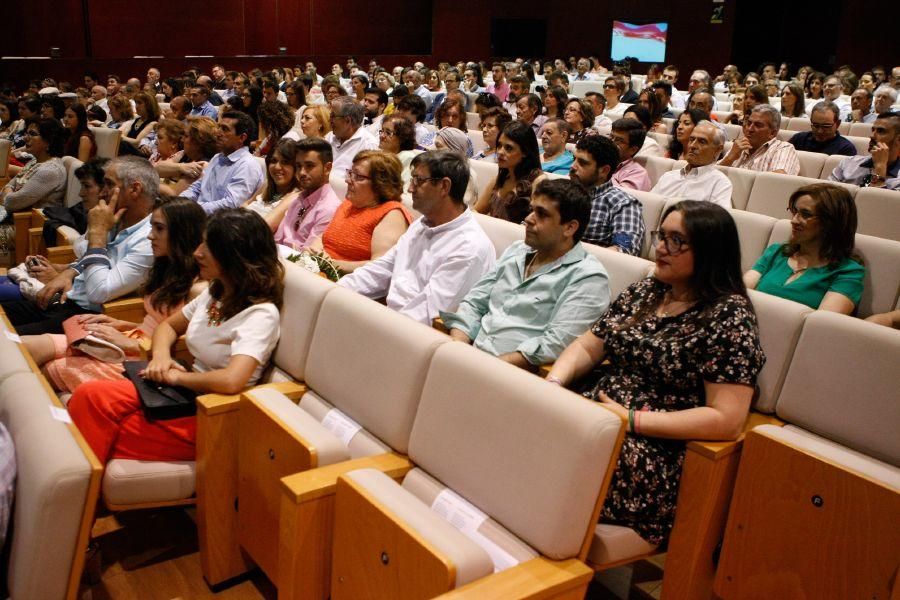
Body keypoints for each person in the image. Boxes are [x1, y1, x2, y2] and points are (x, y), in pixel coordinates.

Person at [545, 200, 765, 546]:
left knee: (547, 458)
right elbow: (588, 346)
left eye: (676, 240)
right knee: (522, 419)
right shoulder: (648, 290)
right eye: (661, 236)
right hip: (598, 413)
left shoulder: (728, 316)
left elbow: (726, 419)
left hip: (653, 447)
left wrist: (629, 419)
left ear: (709, 251)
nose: (661, 247)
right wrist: (554, 383)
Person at [68, 209, 283, 464]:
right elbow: (167, 328)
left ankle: (80, 492)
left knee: (101, 425)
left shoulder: (261, 314)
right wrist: (159, 358)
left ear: (233, 256)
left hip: (211, 414)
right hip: (178, 396)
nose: (197, 252)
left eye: (208, 246)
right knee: (89, 397)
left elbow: (231, 381)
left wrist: (177, 377)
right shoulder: (216, 292)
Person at [23, 198, 206, 392]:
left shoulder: (198, 289)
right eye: (152, 228)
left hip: (145, 357)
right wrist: (119, 324)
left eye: (159, 229)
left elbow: (182, 349)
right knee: (31, 346)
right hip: (130, 338)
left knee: (48, 369)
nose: (151, 236)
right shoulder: (166, 267)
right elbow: (155, 324)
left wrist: (129, 342)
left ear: (182, 234)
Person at [442, 178, 610, 369]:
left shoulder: (587, 277)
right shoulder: (517, 250)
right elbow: (474, 302)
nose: (529, 219)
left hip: (517, 378)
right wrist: (458, 348)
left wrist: (488, 368)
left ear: (570, 227)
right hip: (469, 358)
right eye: (532, 209)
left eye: (542, 214)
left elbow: (555, 344)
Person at [1, 156, 156, 335]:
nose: (102, 193)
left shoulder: (148, 240)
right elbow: (89, 257)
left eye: (108, 184)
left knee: (5, 339)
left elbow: (99, 292)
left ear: (135, 189)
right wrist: (71, 270)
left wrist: (98, 234)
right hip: (66, 301)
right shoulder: (115, 219)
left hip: (87, 316)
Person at [339, 150, 495, 325]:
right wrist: (336, 290)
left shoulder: (469, 247)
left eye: (418, 180)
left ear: (444, 186)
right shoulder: (422, 223)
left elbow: (427, 315)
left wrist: (373, 323)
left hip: (412, 335)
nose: (410, 188)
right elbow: (381, 269)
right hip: (389, 319)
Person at [745, 183, 864, 314]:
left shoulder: (848, 272)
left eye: (806, 214)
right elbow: (739, 295)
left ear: (831, 222)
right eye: (794, 212)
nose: (794, 221)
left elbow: (821, 326)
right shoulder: (777, 252)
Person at [313, 150, 411, 272]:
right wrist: (313, 251)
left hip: (347, 284)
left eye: (358, 176)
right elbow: (325, 236)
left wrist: (329, 264)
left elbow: (380, 267)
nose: (348, 180)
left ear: (380, 183)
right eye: (350, 173)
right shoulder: (349, 203)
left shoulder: (392, 214)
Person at [568, 135, 644, 255]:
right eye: (574, 159)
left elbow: (624, 250)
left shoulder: (622, 204)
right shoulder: (562, 191)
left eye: (582, 163)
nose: (572, 166)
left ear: (604, 171)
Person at [181, 111, 265, 214]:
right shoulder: (217, 158)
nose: (217, 133)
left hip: (221, 224)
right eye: (219, 127)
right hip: (200, 216)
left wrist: (194, 210)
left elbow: (231, 204)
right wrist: (180, 203)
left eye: (225, 129)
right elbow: (197, 188)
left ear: (242, 138)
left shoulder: (247, 165)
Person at [275, 137, 342, 249]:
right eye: (299, 166)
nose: (301, 172)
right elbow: (278, 238)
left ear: (327, 168)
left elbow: (307, 257)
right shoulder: (299, 197)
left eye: (309, 166)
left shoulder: (329, 208)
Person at [474, 121, 543, 224]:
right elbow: (476, 211)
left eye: (509, 148)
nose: (500, 152)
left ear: (525, 152)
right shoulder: (500, 178)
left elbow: (537, 225)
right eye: (499, 145)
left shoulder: (538, 182)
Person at [652, 121, 732, 208]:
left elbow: (719, 220)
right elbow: (648, 206)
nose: (692, 146)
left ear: (717, 150)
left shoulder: (719, 183)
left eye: (702, 141)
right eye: (691, 139)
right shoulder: (668, 176)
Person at [39, 157, 109, 248]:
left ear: (106, 189)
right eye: (82, 186)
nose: (81, 193)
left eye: (87, 186)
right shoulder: (90, 213)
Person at [718, 105, 800, 175]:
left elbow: (778, 181)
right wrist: (729, 158)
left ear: (773, 133)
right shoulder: (739, 147)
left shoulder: (783, 148)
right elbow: (712, 176)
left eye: (758, 125)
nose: (750, 129)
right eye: (749, 123)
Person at [828, 113, 900, 190]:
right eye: (873, 130)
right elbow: (826, 194)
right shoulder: (847, 163)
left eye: (881, 131)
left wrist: (880, 168)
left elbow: (874, 201)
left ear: (898, 139)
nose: (872, 136)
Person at [243, 138, 299, 229]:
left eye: (285, 162)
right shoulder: (267, 185)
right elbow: (246, 204)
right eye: (273, 161)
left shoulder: (294, 196)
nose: (277, 167)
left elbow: (264, 228)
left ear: (296, 167)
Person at [325, 96, 380, 181]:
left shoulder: (368, 145)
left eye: (333, 116)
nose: (329, 120)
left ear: (348, 120)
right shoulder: (329, 137)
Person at [789, 101, 857, 156]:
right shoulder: (798, 139)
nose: (820, 131)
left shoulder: (846, 149)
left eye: (826, 126)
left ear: (837, 124)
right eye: (816, 125)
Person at [609, 118, 651, 191]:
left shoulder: (637, 173)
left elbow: (619, 198)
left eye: (619, 140)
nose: (611, 142)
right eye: (611, 137)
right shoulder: (599, 159)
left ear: (632, 150)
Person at [119, 92, 160, 156]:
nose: (136, 106)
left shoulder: (153, 123)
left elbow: (137, 142)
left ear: (149, 105)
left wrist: (118, 136)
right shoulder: (137, 119)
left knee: (122, 145)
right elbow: (124, 134)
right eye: (136, 103)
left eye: (140, 103)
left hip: (139, 155)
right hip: (128, 152)